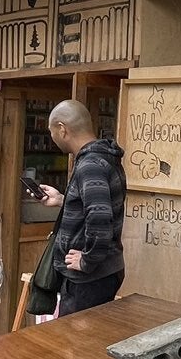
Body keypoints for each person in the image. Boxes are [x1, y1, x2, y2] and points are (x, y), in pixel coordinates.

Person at [34, 100, 125, 315]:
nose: (53, 138)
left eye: (51, 132)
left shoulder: (91, 165)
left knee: (74, 335)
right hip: (101, 273)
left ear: (62, 129)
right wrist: (63, 200)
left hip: (89, 279)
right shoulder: (103, 158)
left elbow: (100, 217)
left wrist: (87, 260)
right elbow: (98, 206)